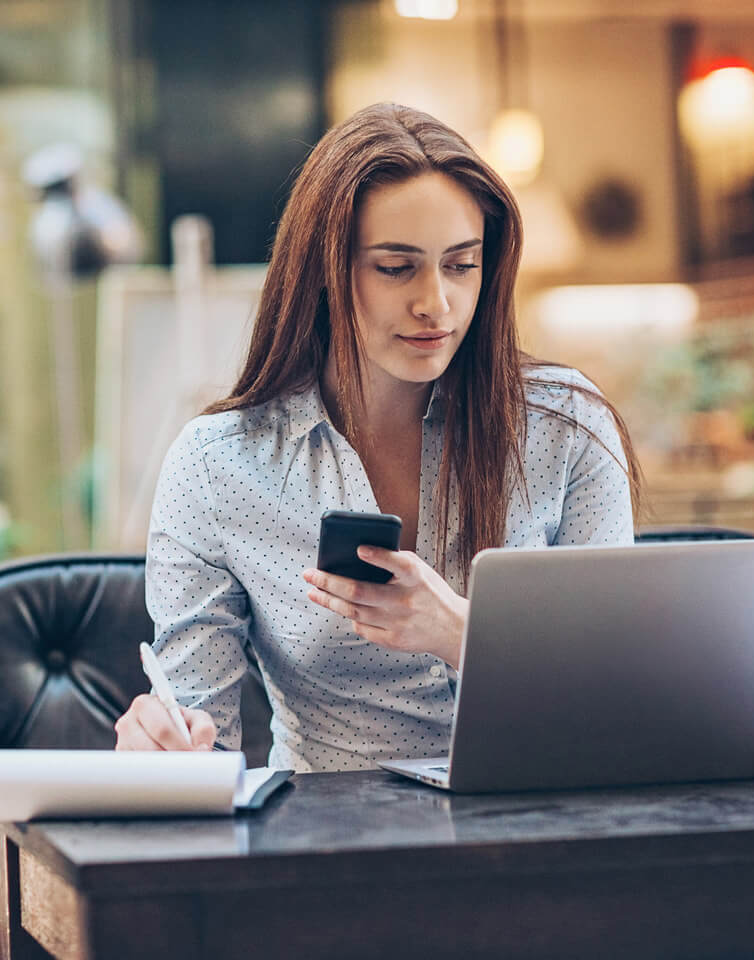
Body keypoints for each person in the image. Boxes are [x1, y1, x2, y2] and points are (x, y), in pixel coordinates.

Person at [114, 102, 641, 772]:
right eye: (396, 268)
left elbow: (618, 693)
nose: (436, 304)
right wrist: (160, 747)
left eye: (461, 265)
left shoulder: (566, 425)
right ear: (324, 272)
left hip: (539, 821)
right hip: (332, 847)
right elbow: (200, 741)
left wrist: (463, 635)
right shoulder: (220, 463)